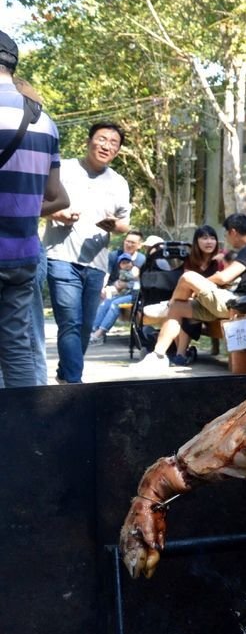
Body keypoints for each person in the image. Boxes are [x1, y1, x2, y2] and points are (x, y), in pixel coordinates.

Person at [0, 29, 69, 388]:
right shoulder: (44, 121)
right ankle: (23, 438)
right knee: (17, 349)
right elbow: (54, 192)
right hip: (23, 255)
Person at [43, 121, 131, 384]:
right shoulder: (64, 169)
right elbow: (39, 202)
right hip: (60, 256)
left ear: (117, 151)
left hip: (96, 263)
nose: (106, 146)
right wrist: (58, 213)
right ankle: (73, 382)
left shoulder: (119, 182)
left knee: (84, 326)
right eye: (102, 139)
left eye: (113, 143)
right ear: (89, 141)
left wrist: (114, 226)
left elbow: (125, 224)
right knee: (70, 322)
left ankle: (65, 376)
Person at [136, 214, 246, 371]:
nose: (226, 238)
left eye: (226, 234)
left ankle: (169, 303)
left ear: (233, 232)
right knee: (177, 308)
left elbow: (224, 276)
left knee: (188, 277)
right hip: (231, 302)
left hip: (238, 303)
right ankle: (158, 356)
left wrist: (201, 284)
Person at [171, 224, 225, 363]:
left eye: (212, 238)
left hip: (214, 301)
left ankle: (182, 354)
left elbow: (224, 282)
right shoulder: (190, 260)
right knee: (180, 308)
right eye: (204, 238)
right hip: (194, 300)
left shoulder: (221, 259)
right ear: (197, 241)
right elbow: (185, 283)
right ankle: (181, 354)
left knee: (182, 309)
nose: (209, 242)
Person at [88, 252, 141, 345]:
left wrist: (126, 284)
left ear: (132, 262)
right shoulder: (122, 272)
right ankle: (94, 329)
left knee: (115, 304)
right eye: (123, 263)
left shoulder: (135, 270)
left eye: (127, 262)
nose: (126, 264)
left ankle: (100, 333)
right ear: (119, 265)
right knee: (106, 302)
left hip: (135, 295)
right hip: (124, 294)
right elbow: (119, 284)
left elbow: (137, 284)